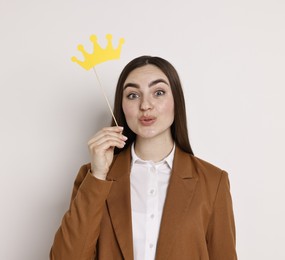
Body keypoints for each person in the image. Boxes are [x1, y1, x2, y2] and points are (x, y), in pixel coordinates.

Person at [50, 56, 237, 259]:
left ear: (176, 100)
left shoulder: (212, 181)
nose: (145, 105)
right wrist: (98, 176)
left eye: (158, 93)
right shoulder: (93, 176)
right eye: (132, 95)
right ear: (121, 106)